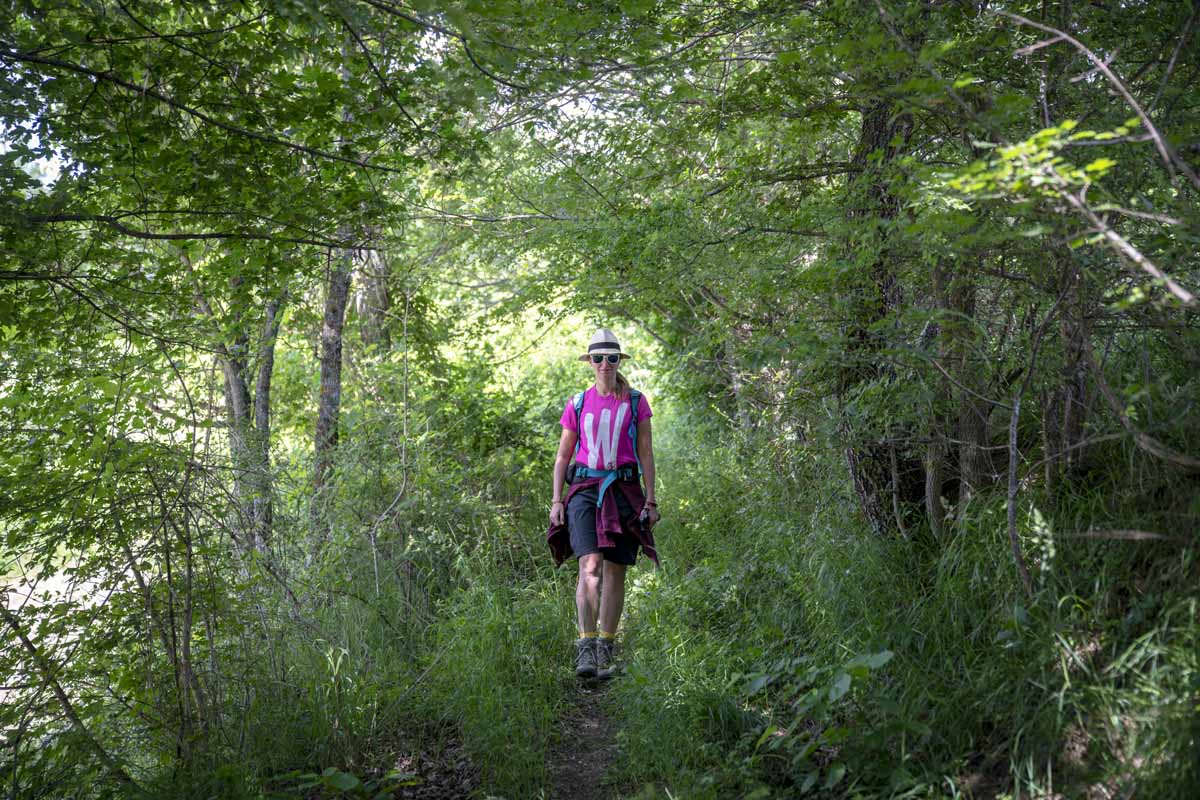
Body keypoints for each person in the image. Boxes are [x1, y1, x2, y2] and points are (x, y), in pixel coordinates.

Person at [546, 328, 661, 679]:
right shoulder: (577, 403)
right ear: (590, 362)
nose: (605, 364)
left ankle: (606, 650)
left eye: (612, 358)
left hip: (624, 491)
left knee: (614, 570)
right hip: (584, 490)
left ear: (619, 361)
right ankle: (586, 649)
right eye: (599, 358)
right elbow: (563, 456)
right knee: (589, 566)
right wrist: (555, 501)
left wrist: (651, 500)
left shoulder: (637, 402)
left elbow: (645, 453)